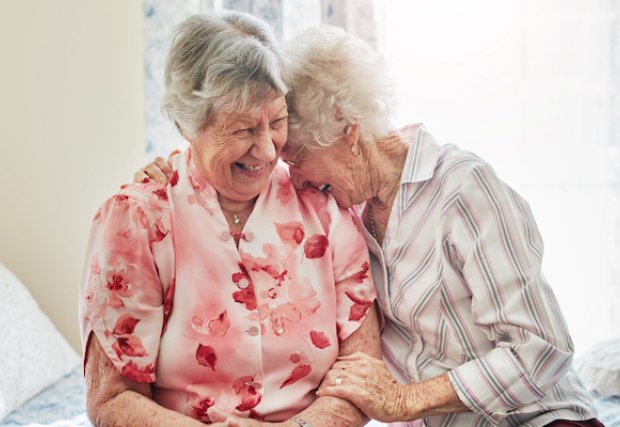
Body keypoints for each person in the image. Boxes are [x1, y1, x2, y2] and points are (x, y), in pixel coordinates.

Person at [138, 23, 602, 426]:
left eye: (296, 156)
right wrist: (180, 173)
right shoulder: (341, 210)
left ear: (346, 128)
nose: (291, 175)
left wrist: (404, 400)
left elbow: (543, 348)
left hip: (537, 419)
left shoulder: (463, 188)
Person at [80, 13, 380, 427]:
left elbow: (363, 369)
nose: (266, 150)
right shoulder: (138, 220)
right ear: (189, 124)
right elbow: (112, 399)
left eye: (275, 122)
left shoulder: (322, 206)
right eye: (241, 130)